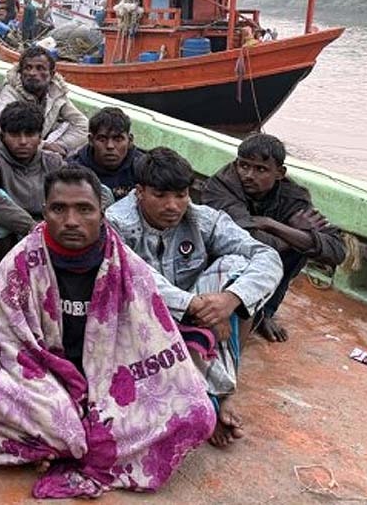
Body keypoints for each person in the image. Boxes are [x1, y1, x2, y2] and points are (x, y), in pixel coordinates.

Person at [0, 167, 215, 498]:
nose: (71, 220)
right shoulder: (18, 265)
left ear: (101, 212)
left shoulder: (126, 266)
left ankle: (61, 447)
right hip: (43, 376)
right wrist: (68, 389)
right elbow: (7, 345)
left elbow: (152, 338)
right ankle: (80, 440)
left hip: (113, 374)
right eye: (58, 209)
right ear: (44, 211)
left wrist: (100, 391)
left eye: (84, 209)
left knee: (198, 412)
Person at [107, 147, 283, 447]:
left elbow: (267, 256)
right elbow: (136, 277)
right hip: (141, 316)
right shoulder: (117, 223)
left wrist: (230, 300)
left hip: (198, 313)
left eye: (181, 194)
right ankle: (212, 402)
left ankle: (222, 393)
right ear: (140, 192)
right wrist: (193, 306)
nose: (173, 205)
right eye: (161, 195)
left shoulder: (203, 219)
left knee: (238, 268)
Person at [201, 133, 346, 342]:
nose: (249, 175)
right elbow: (242, 240)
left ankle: (264, 312)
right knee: (292, 241)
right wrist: (290, 233)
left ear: (280, 173)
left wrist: (272, 225)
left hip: (266, 261)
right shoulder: (221, 186)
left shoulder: (292, 196)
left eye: (260, 169)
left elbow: (337, 250)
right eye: (244, 166)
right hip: (219, 261)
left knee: (301, 245)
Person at [0, 101, 66, 269]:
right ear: (3, 136)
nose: (23, 141)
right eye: (15, 135)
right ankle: (10, 272)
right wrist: (31, 226)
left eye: (30, 134)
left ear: (40, 137)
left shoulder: (52, 162)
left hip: (50, 232)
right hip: (12, 234)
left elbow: (95, 188)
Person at [0, 45, 88, 156]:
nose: (32, 73)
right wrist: (43, 145)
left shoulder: (56, 92)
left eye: (40, 68)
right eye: (28, 68)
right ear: (20, 72)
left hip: (45, 148)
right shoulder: (11, 91)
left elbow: (82, 124)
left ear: (52, 74)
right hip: (15, 150)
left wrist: (61, 145)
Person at [68, 106, 144, 200]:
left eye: (118, 139)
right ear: (91, 140)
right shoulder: (73, 171)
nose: (110, 146)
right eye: (102, 139)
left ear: (130, 140)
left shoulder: (143, 168)